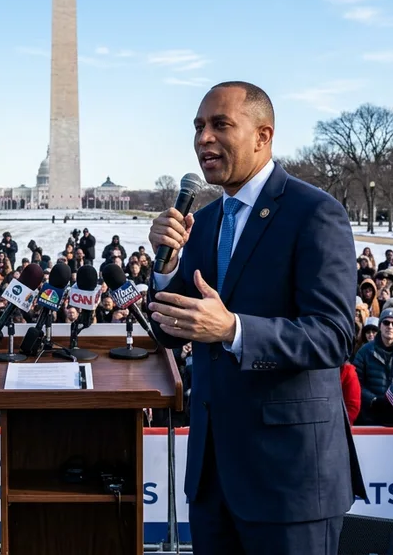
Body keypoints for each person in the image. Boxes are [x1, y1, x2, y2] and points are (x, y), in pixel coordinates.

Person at [146, 82, 361, 553]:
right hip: (213, 479)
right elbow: (165, 328)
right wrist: (165, 267)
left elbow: (332, 336)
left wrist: (233, 330)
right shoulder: (202, 224)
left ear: (263, 135)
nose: (204, 138)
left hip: (289, 482)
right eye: (199, 127)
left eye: (220, 124)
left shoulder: (315, 213)